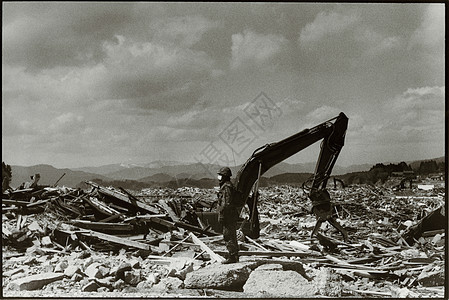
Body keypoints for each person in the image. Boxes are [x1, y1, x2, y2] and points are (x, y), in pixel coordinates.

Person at [217, 167, 239, 264]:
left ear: (224, 177)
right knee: (231, 234)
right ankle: (234, 255)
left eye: (220, 175)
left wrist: (222, 215)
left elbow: (226, 204)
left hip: (228, 215)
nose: (219, 177)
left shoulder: (226, 187)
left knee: (228, 234)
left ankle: (232, 256)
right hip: (231, 215)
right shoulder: (229, 186)